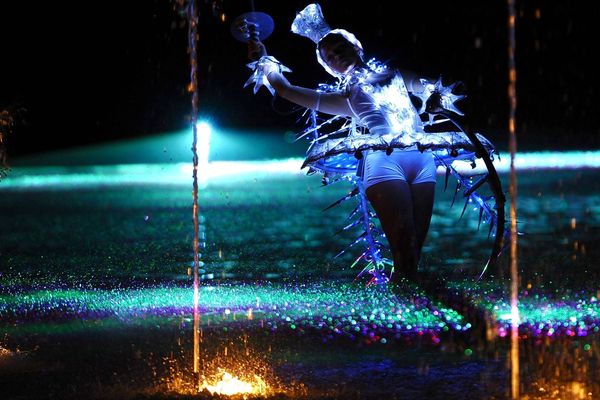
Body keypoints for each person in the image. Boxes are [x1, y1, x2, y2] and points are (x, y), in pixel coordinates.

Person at [242, 4, 485, 285]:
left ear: (356, 47)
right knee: (403, 242)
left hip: (421, 160)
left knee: (415, 246)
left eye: (339, 48)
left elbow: (436, 86)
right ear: (327, 66)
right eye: (328, 56)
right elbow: (286, 90)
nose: (335, 57)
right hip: (384, 164)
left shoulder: (393, 74)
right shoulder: (343, 96)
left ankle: (412, 302)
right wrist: (263, 60)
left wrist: (435, 96)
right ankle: (403, 306)